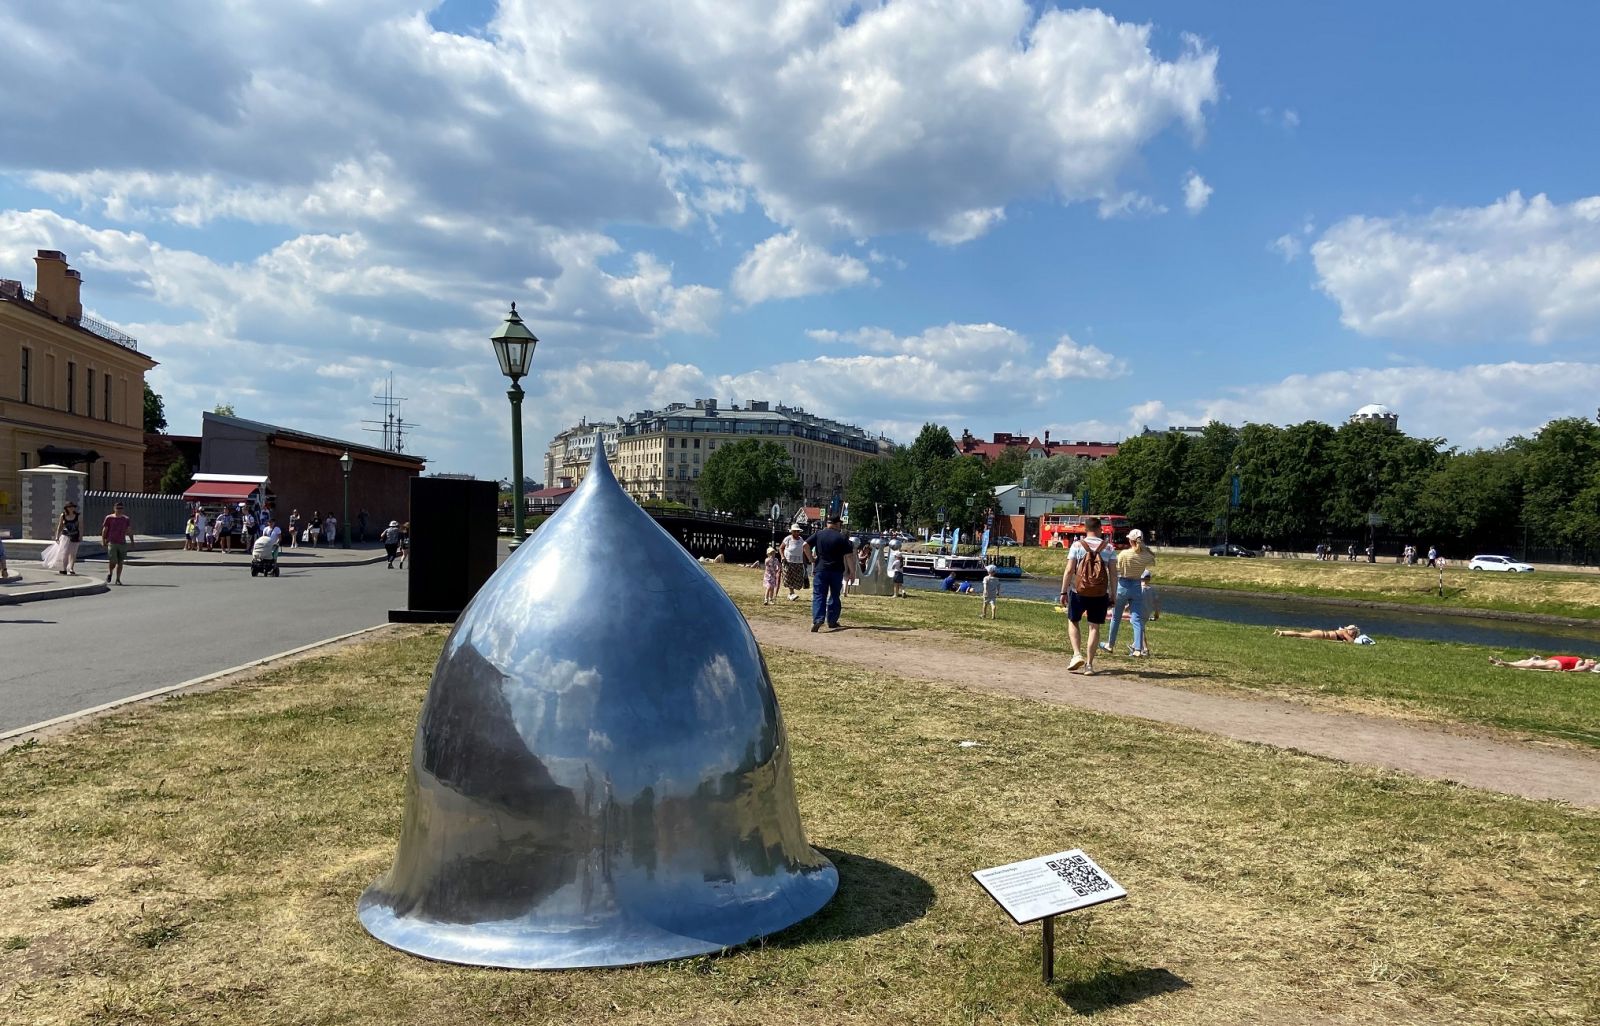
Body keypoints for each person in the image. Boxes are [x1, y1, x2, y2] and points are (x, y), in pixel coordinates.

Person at [1059, 516, 1115, 675]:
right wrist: (1113, 594)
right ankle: (1089, 665)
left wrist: (1063, 591)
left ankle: (1077, 654)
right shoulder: (1109, 548)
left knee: (1073, 620)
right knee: (1094, 627)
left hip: (1079, 591)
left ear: (1085, 529)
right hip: (1100, 593)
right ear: (1100, 529)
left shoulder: (1077, 545)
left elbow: (1069, 570)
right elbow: (1113, 574)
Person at [1104, 527, 1155, 657]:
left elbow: (1117, 569)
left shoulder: (1124, 554)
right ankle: (1138, 648)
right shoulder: (1146, 556)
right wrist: (1144, 548)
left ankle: (1110, 645)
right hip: (1137, 585)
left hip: (1123, 584)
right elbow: (1152, 557)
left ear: (1131, 541)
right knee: (1136, 618)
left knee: (1116, 617)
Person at [802, 514, 858, 632]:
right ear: (837, 524)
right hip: (837, 570)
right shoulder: (842, 537)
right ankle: (832, 621)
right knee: (834, 595)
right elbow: (849, 556)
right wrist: (852, 572)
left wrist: (811, 559)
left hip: (821, 569)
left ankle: (818, 619)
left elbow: (805, 545)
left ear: (828, 523)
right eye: (840, 524)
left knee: (819, 594)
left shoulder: (819, 534)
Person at [100, 501, 134, 586]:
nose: (119, 510)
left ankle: (118, 579)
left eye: (121, 508)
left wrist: (132, 541)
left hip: (122, 542)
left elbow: (129, 530)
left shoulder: (126, 519)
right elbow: (105, 530)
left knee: (120, 562)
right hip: (112, 542)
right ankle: (110, 572)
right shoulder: (109, 518)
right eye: (118, 508)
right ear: (114, 508)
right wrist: (103, 540)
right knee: (113, 561)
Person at [780, 524, 808, 601]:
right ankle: (791, 593)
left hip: (798, 562)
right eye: (795, 531)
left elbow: (803, 551)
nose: (796, 533)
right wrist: (782, 557)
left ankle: (791, 594)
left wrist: (805, 562)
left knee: (798, 579)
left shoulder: (801, 540)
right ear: (792, 531)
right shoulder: (788, 539)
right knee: (789, 578)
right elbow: (781, 548)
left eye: (797, 531)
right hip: (788, 561)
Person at [55, 501, 83, 575]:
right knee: (65, 553)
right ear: (66, 508)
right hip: (65, 536)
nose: (71, 508)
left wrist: (80, 536)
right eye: (69, 507)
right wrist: (57, 536)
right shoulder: (63, 515)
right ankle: (64, 569)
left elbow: (80, 527)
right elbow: (60, 526)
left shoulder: (78, 516)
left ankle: (71, 568)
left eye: (72, 507)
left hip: (75, 535)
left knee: (73, 553)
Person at [1489, 655, 1599, 672]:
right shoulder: (1579, 658)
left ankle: (1508, 664)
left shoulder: (1581, 662)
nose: (1592, 660)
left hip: (1557, 665)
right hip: (1551, 660)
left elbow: (1580, 669)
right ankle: (1500, 663)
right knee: (1527, 661)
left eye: (1593, 662)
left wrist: (1571, 671)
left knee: (1533, 665)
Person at [1273, 624, 1360, 641]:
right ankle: (1283, 633)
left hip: (1321, 634)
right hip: (1321, 635)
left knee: (1300, 634)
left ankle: (1282, 633)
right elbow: (1351, 641)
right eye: (1353, 633)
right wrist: (1353, 637)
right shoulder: (1344, 631)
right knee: (1300, 634)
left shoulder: (1343, 633)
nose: (1353, 635)